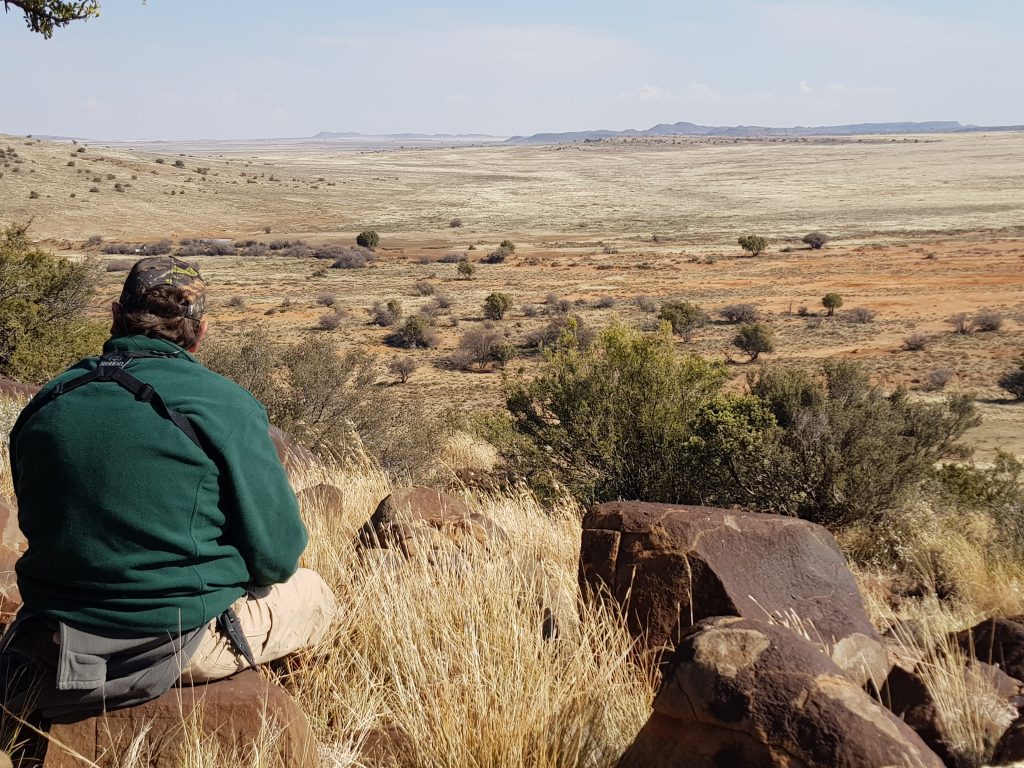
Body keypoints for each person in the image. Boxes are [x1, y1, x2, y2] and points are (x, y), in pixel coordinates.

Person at [0, 256, 336, 724]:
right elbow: (278, 558)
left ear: (116, 315)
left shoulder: (48, 400)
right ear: (199, 332)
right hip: (176, 644)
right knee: (316, 592)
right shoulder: (225, 405)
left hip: (54, 639)